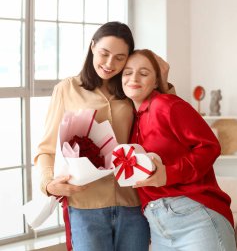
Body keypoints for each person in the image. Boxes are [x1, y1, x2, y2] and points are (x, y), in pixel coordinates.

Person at [34, 22, 173, 251]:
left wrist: (163, 80)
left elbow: (166, 123)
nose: (110, 64)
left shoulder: (132, 88)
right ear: (92, 47)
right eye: (104, 54)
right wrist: (48, 183)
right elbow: (46, 149)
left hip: (133, 203)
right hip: (86, 206)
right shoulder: (66, 90)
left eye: (120, 57)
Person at [121, 49, 237, 251]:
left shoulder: (166, 105)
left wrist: (169, 173)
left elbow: (210, 147)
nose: (134, 78)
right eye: (127, 72)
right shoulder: (131, 119)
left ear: (156, 81)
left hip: (196, 217)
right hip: (158, 227)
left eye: (144, 73)